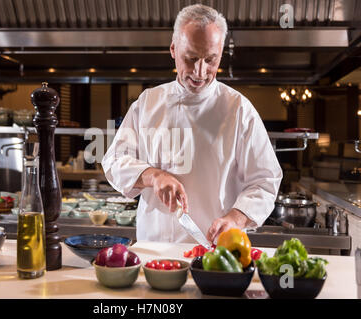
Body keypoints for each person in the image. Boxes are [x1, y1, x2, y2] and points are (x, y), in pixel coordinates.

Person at [101, 4, 283, 244]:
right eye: (191, 58)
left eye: (210, 60)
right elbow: (114, 161)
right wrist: (152, 176)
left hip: (213, 252)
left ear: (221, 53)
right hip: (153, 248)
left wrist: (236, 218)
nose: (200, 71)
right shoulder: (148, 103)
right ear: (173, 49)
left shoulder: (239, 109)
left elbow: (265, 181)